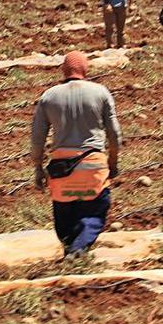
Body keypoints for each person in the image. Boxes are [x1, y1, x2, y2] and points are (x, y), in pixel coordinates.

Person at [30, 51, 122, 257]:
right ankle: (78, 251)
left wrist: (37, 167)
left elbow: (37, 137)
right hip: (93, 165)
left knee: (65, 212)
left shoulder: (49, 96)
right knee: (93, 209)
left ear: (64, 70)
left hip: (61, 169)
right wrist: (113, 163)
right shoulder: (101, 93)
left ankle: (71, 250)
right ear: (85, 69)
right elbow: (114, 134)